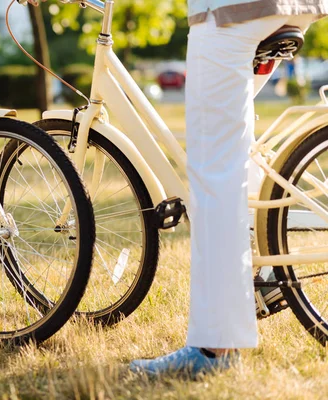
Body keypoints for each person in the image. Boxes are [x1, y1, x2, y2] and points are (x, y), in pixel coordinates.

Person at [129, 1, 326, 377]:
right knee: (233, 140)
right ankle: (258, 267)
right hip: (295, 6)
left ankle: (214, 348)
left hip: (233, 11)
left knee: (213, 168)